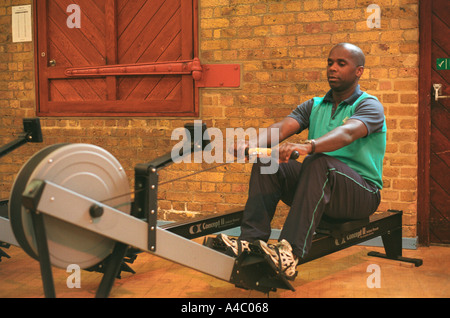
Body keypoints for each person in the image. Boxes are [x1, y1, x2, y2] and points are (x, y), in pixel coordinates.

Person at [217, 43, 386, 280]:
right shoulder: (315, 105)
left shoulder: (369, 106)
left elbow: (347, 133)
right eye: (329, 62)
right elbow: (282, 128)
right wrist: (251, 144)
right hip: (320, 187)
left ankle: (288, 253)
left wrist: (308, 146)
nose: (332, 68)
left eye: (341, 63)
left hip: (361, 194)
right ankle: (250, 242)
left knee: (318, 161)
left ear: (359, 71)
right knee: (269, 162)